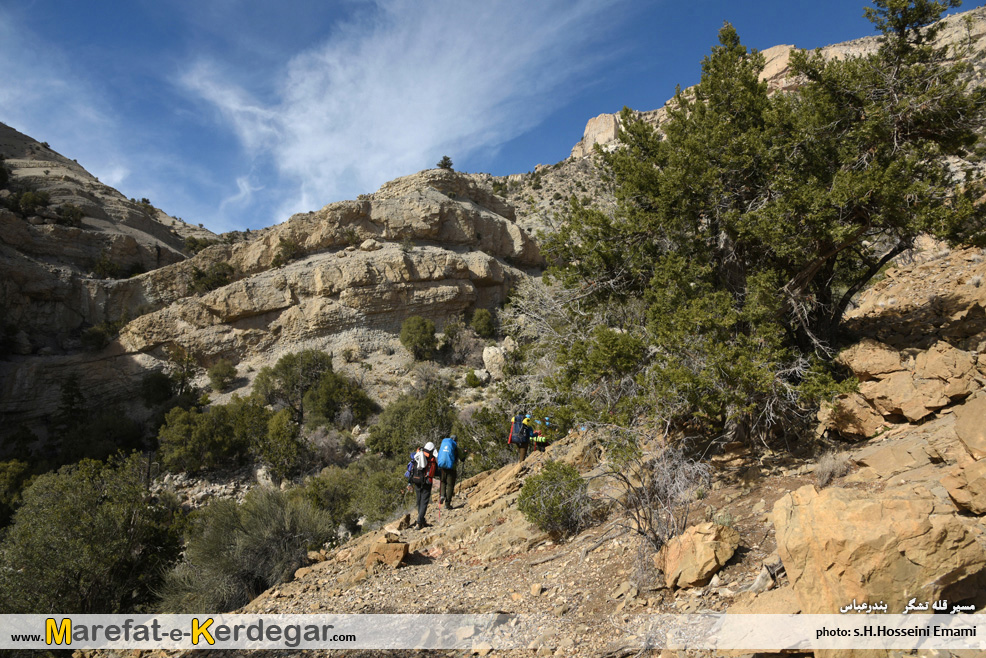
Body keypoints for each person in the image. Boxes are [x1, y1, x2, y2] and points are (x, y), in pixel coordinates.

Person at [412, 442, 438, 529]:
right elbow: (436, 470)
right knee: (424, 502)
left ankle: (421, 521)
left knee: (419, 501)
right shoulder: (431, 457)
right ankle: (419, 522)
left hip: (416, 480)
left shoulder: (418, 454)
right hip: (426, 482)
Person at [436, 434, 460, 509]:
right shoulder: (455, 446)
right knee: (450, 485)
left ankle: (442, 495)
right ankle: (447, 504)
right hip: (451, 468)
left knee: (443, 481)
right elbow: (462, 457)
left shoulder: (443, 445)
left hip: (442, 466)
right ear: (455, 440)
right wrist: (465, 452)